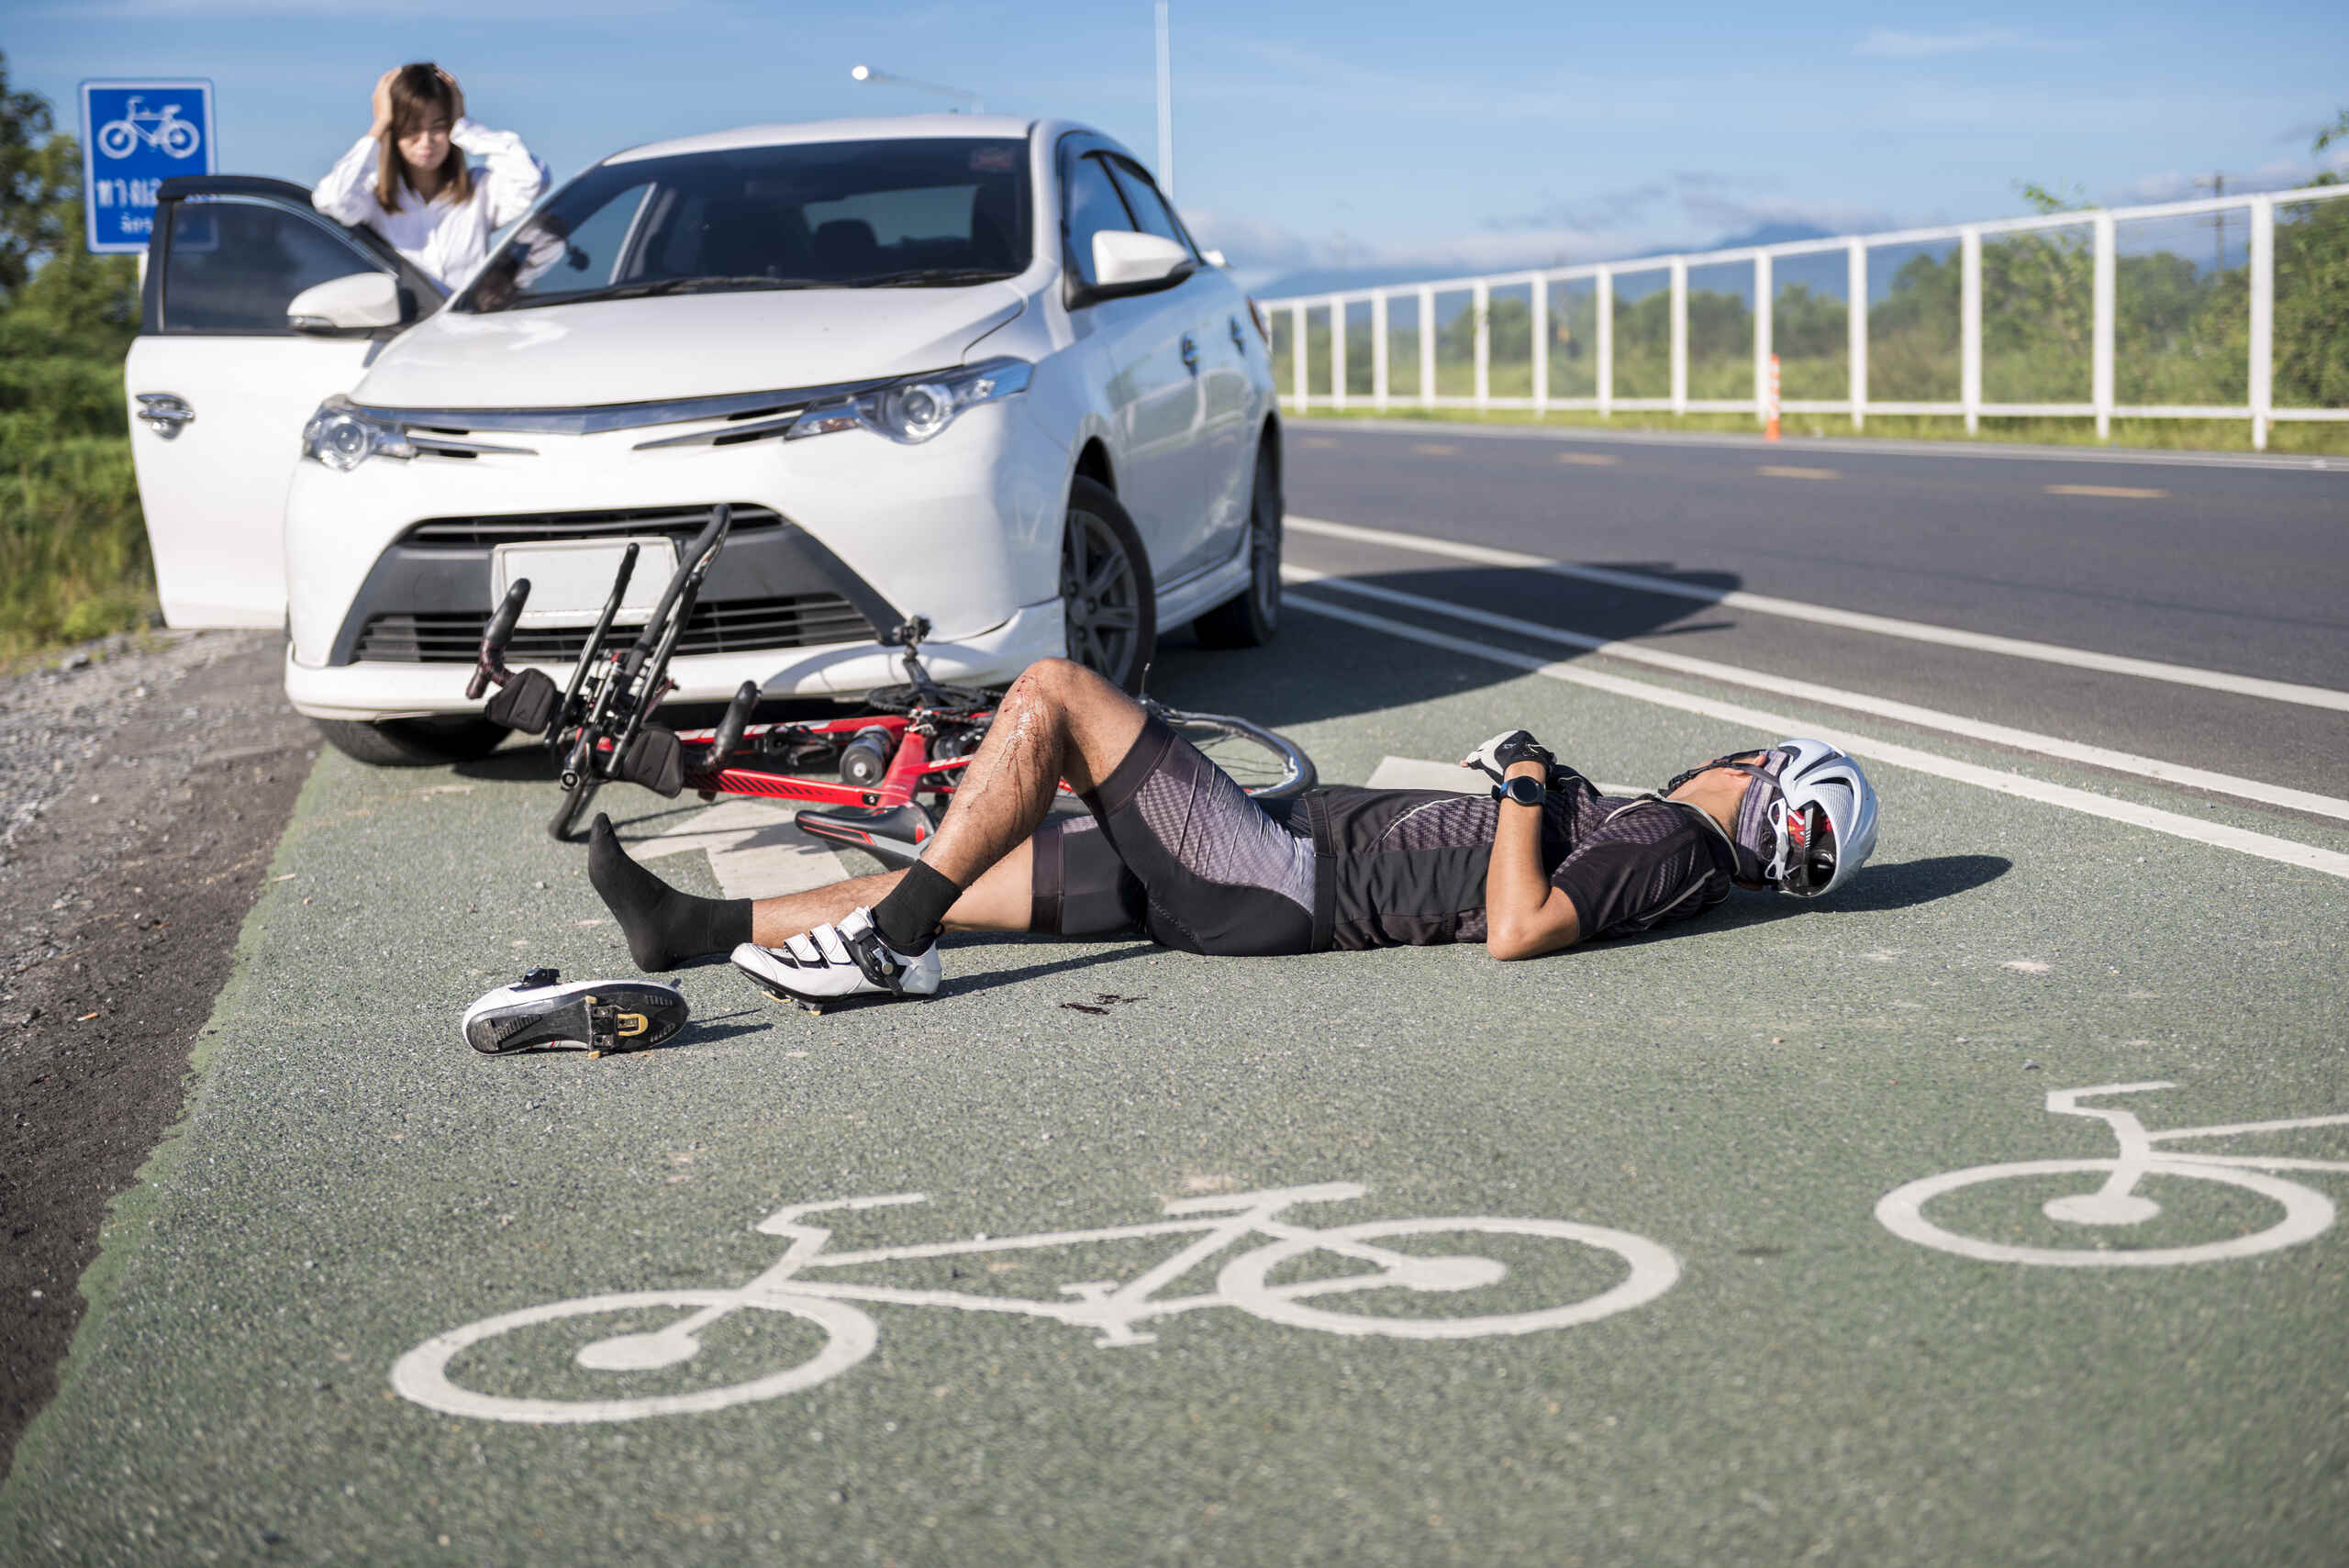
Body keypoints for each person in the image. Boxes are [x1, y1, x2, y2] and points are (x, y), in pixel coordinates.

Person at [586, 658, 1881, 1008]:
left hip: (1284, 877)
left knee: (1056, 693)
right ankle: (693, 928)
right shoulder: (1674, 857)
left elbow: (1517, 929)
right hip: (1270, 858)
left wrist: (1532, 785)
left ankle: (886, 944)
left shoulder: (1670, 842)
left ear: (1761, 777)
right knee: (983, 882)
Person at [313, 63, 548, 290]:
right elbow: (333, 200)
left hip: (472, 327)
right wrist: (380, 126)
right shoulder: (372, 197)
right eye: (412, 129)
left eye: (438, 127)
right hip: (404, 330)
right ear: (394, 131)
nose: (426, 142)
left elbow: (531, 178)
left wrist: (464, 127)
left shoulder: (480, 189)